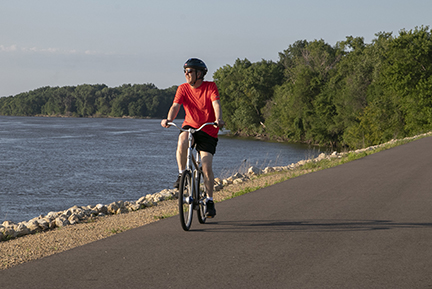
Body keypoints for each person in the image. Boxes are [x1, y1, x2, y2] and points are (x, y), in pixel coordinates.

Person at [161, 58, 224, 218]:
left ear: (199, 73)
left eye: (190, 71)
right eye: (185, 71)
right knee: (182, 140)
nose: (186, 74)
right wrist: (169, 119)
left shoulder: (210, 86)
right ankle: (182, 174)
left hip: (208, 129)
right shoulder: (182, 89)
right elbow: (175, 106)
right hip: (191, 126)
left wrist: (218, 120)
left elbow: (216, 104)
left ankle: (209, 201)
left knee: (206, 166)